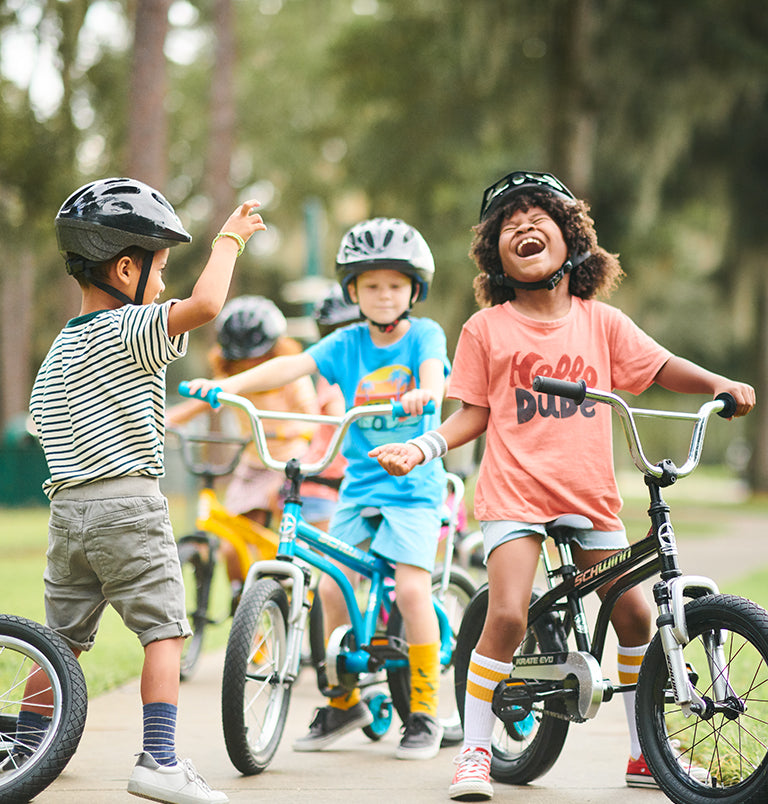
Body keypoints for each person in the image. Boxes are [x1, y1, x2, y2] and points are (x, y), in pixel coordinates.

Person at [369, 171, 755, 800]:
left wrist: (718, 383)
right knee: (509, 611)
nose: (522, 227)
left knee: (634, 614)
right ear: (495, 254)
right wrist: (422, 445)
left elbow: (658, 368)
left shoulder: (600, 322)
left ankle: (642, 753)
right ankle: (473, 752)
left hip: (588, 495)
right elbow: (472, 411)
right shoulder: (486, 329)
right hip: (515, 494)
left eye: (536, 216)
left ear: (572, 238)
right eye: (507, 224)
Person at [23, 177, 265, 804]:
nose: (163, 286)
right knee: (165, 632)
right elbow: (207, 306)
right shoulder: (128, 328)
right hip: (128, 505)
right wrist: (230, 241)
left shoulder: (58, 349)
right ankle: (158, 759)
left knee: (59, 643)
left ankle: (23, 746)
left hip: (66, 512)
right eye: (160, 270)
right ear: (125, 267)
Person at [183, 217, 451, 760]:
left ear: (413, 290)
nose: (382, 296)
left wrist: (425, 394)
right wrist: (225, 386)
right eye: (371, 286)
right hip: (359, 481)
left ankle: (422, 713)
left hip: (413, 481)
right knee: (330, 586)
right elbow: (289, 366)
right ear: (353, 290)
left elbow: (435, 377)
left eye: (394, 286)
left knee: (413, 588)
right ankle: (344, 699)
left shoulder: (424, 335)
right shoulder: (345, 342)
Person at [167, 294, 319, 605]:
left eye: (258, 357)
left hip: (285, 463)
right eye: (242, 358)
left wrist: (293, 429)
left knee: (276, 523)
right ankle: (240, 595)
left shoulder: (291, 377)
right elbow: (198, 405)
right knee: (229, 543)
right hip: (252, 462)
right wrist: (165, 420)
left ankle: (286, 577)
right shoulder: (231, 378)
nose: (249, 365)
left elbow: (311, 417)